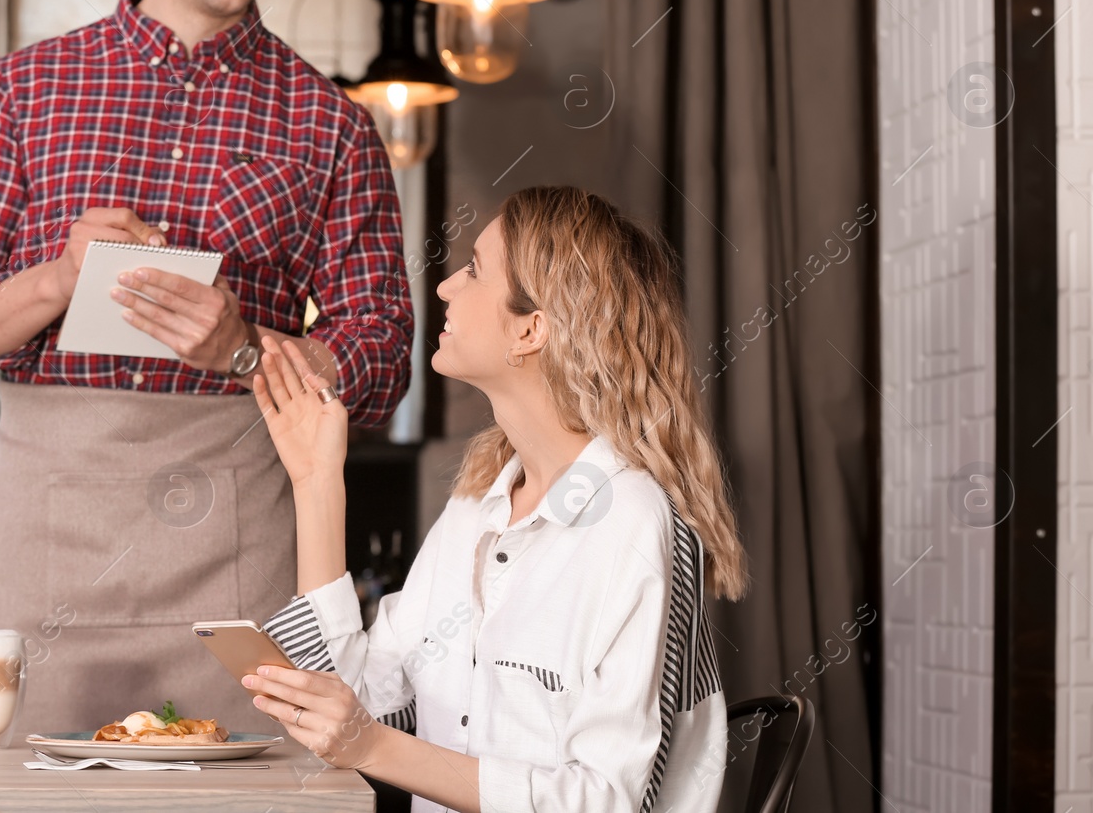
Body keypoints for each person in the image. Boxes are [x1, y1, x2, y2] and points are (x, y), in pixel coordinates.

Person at [0, 0, 413, 732]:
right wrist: (57, 277)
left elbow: (381, 358)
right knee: (20, 796)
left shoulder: (330, 125)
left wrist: (251, 350)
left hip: (238, 544)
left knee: (246, 791)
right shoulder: (22, 92)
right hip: (44, 528)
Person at [242, 186, 747, 813]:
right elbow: (355, 701)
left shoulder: (632, 525)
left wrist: (371, 746)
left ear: (531, 329)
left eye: (476, 269)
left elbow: (605, 801)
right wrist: (317, 483)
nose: (447, 286)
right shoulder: (476, 508)